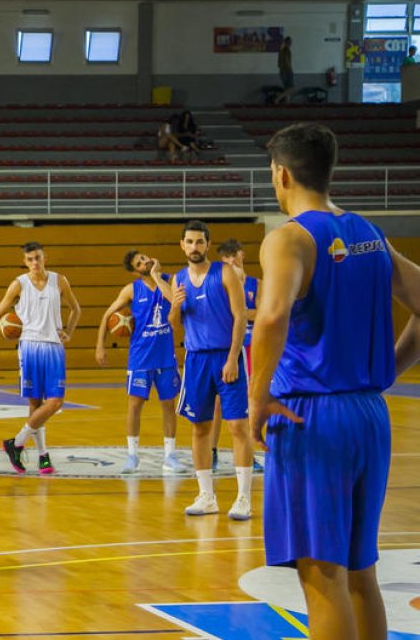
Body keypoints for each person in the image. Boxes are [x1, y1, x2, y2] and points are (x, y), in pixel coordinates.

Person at [251, 122, 420, 639]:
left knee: (322, 575)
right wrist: (389, 367)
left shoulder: (289, 239)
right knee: (359, 572)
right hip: (369, 414)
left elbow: (273, 315)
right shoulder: (370, 233)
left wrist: (257, 398)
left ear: (281, 174)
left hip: (313, 416)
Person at [168, 220, 255, 520]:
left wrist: (233, 358)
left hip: (225, 356)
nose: (194, 247)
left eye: (200, 242)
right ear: (182, 245)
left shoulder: (225, 272)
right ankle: (207, 496)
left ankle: (244, 498)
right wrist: (174, 308)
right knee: (199, 428)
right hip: (195, 360)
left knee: (237, 427)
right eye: (189, 242)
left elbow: (241, 317)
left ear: (207, 245)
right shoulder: (178, 279)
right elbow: (175, 326)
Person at [0, 242, 81, 476]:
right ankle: (42, 456)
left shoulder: (59, 280)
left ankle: (16, 443)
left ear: (45, 257)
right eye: (30, 259)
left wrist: (68, 332)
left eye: (37, 258)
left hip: (54, 347)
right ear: (24, 262)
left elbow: (76, 309)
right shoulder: (18, 284)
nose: (34, 263)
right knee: (35, 405)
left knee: (55, 402)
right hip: (29, 347)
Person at [94, 249, 188, 475]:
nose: (146, 262)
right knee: (134, 406)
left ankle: (170, 456)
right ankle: (132, 456)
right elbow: (107, 315)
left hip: (165, 357)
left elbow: (173, 299)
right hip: (140, 358)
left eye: (145, 258)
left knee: (168, 405)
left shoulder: (171, 280)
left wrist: (157, 276)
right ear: (136, 271)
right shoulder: (131, 290)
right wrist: (100, 345)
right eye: (140, 262)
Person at [210, 239, 262, 473]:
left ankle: (249, 454)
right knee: (218, 404)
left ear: (242, 254)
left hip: (252, 347)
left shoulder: (256, 284)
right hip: (227, 346)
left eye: (234, 256)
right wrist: (242, 314)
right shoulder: (220, 284)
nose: (231, 261)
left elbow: (262, 313)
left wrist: (239, 313)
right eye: (226, 259)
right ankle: (211, 451)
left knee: (251, 403)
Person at [275, 36, 294, 104]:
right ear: (288, 42)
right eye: (290, 42)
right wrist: (290, 69)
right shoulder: (286, 50)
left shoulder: (281, 50)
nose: (291, 43)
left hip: (282, 71)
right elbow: (286, 61)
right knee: (291, 89)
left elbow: (279, 63)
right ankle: (278, 99)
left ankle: (287, 103)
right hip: (287, 71)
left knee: (287, 88)